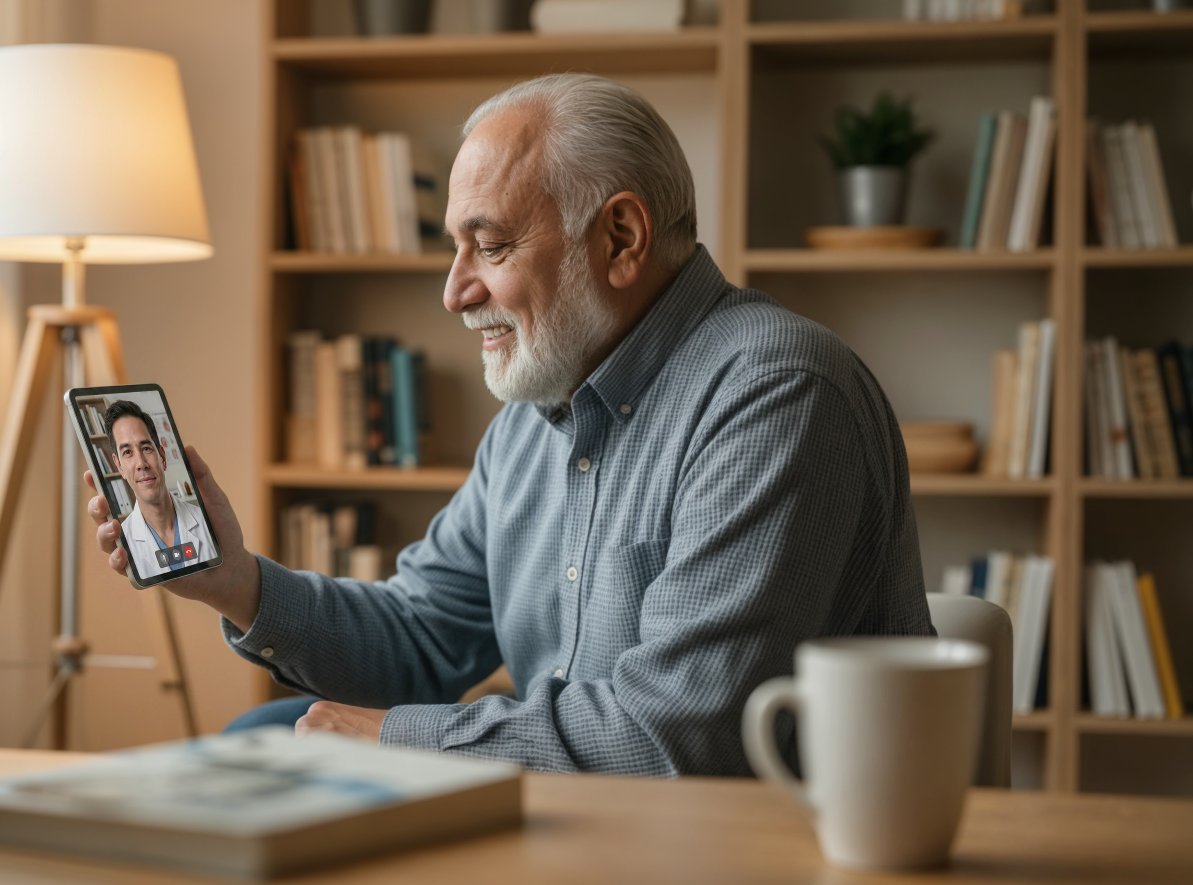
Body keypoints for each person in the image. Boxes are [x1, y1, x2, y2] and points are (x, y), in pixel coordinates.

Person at [85, 73, 932, 776]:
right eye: (454, 249)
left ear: (622, 237)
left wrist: (395, 737)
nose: (454, 292)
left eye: (488, 247)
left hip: (720, 846)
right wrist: (236, 582)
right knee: (257, 741)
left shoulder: (776, 393)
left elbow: (674, 735)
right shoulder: (534, 413)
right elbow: (421, 636)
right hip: (582, 827)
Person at [105, 400, 217, 579]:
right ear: (119, 467)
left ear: (162, 458)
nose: (141, 463)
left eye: (146, 448)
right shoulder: (122, 545)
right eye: (127, 452)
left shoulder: (207, 522)